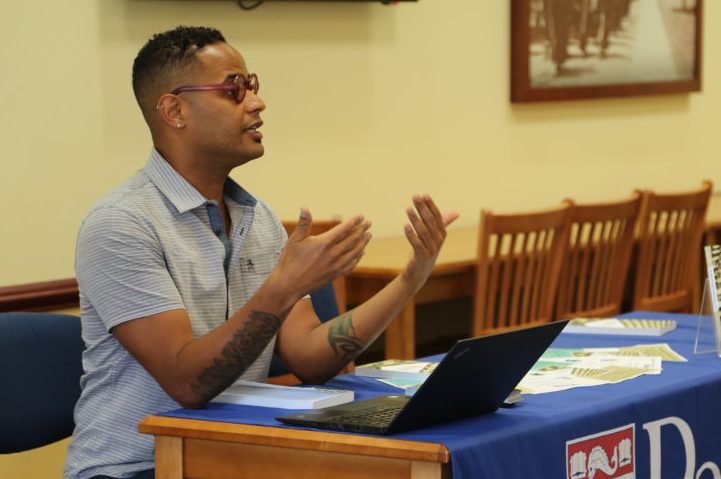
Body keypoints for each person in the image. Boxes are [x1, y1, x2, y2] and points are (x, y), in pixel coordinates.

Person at [64, 25, 458, 479]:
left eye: (252, 85)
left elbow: (310, 358)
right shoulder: (121, 224)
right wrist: (284, 286)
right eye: (234, 89)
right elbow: (188, 383)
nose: (256, 102)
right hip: (135, 467)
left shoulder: (256, 217)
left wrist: (411, 278)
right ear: (175, 110)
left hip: (232, 457)